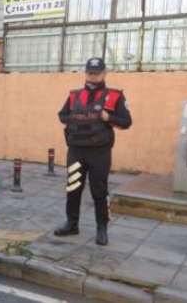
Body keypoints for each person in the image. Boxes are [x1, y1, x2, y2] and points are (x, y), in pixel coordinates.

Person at [55, 57, 132, 246]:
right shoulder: (74, 95)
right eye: (90, 72)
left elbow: (126, 122)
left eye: (97, 72)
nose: (93, 75)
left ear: (104, 73)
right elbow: (62, 115)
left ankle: (102, 228)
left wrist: (108, 117)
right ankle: (72, 224)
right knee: (73, 189)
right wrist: (73, 118)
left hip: (100, 153)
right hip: (76, 151)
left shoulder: (115, 96)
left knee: (99, 191)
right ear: (86, 73)